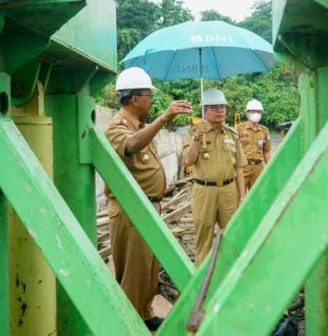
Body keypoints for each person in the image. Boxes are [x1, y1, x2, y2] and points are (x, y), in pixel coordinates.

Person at [104, 67, 192, 331]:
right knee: (134, 272)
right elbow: (130, 146)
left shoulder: (142, 126)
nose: (151, 100)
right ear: (134, 99)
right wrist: (165, 117)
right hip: (132, 211)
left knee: (149, 269)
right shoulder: (117, 127)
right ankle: (129, 324)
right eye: (148, 95)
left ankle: (144, 313)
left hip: (149, 207)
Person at [182, 88, 247, 266]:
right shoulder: (194, 131)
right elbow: (188, 160)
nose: (221, 110)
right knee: (204, 239)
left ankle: (228, 278)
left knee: (232, 235)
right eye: (215, 107)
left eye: (223, 107)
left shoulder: (232, 134)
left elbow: (239, 168)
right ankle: (203, 283)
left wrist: (242, 196)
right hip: (204, 191)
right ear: (204, 111)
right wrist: (197, 137)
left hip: (228, 191)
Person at [235, 99, 272, 192]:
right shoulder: (238, 129)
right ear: (247, 113)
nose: (256, 114)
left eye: (258, 112)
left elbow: (266, 151)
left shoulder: (264, 130)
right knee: (240, 196)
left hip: (258, 168)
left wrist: (270, 169)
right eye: (253, 111)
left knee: (258, 195)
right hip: (242, 168)